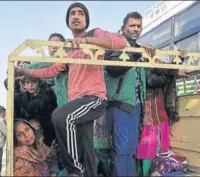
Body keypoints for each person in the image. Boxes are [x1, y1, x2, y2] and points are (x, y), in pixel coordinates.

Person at [13, 3, 127, 176]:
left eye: (80, 13)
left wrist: (87, 41)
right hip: (78, 102)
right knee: (87, 148)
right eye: (72, 13)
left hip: (94, 98)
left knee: (60, 116)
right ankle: (87, 172)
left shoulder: (94, 34)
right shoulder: (69, 51)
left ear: (86, 20)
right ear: (68, 21)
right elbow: (49, 70)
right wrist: (23, 71)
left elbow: (120, 42)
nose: (76, 16)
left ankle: (76, 171)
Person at [104, 12, 148, 176]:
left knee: (130, 150)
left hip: (136, 105)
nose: (135, 29)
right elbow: (113, 69)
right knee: (121, 151)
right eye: (132, 25)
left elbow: (147, 76)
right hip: (119, 104)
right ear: (123, 28)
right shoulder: (115, 45)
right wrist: (132, 56)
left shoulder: (139, 49)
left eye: (138, 26)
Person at [15, 75, 58, 147]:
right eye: (27, 83)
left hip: (49, 127)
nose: (30, 85)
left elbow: (34, 105)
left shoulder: (48, 92)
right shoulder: (25, 95)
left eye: (33, 82)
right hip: (34, 129)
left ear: (39, 82)